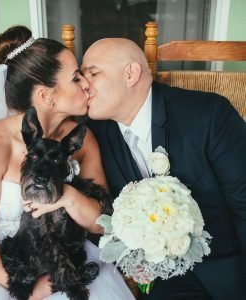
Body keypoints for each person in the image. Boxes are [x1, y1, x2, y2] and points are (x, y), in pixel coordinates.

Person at [0, 27, 134, 300]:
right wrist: (30, 291)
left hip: (65, 258)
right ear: (47, 96)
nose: (86, 83)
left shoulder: (82, 140)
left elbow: (102, 223)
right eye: (75, 78)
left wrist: (68, 196)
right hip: (1, 265)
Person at [81, 38, 246, 300]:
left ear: (131, 73)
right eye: (79, 77)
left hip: (229, 268)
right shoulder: (93, 136)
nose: (84, 85)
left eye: (93, 73)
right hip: (162, 281)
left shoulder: (209, 114)